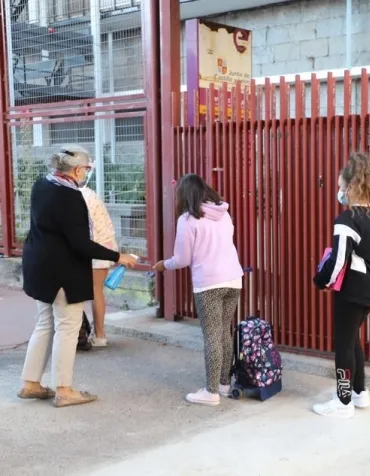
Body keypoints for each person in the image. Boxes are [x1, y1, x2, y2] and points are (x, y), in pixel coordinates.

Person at [18, 145, 137, 408]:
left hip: (39, 266)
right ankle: (64, 390)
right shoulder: (70, 197)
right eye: (86, 169)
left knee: (45, 324)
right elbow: (80, 244)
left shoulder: (41, 185)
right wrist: (117, 256)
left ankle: (30, 383)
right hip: (63, 271)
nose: (86, 173)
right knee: (67, 328)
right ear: (78, 169)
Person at [312, 152, 370, 418]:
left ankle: (343, 401)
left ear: (351, 186)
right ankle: (359, 392)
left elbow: (338, 261)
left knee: (344, 344)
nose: (339, 192)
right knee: (352, 337)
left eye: (340, 186)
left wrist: (321, 281)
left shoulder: (347, 221)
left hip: (352, 290)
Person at [153, 174, 243, 406]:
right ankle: (224, 385)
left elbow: (182, 259)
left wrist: (164, 265)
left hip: (209, 284)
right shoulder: (223, 214)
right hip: (233, 279)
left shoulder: (188, 219)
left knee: (212, 336)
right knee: (224, 333)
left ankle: (211, 392)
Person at [80, 185, 118, 347]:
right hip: (106, 244)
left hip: (97, 247)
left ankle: (99, 335)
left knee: (95, 292)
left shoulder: (78, 196)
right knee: (97, 291)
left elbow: (87, 230)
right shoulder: (89, 193)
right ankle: (99, 335)